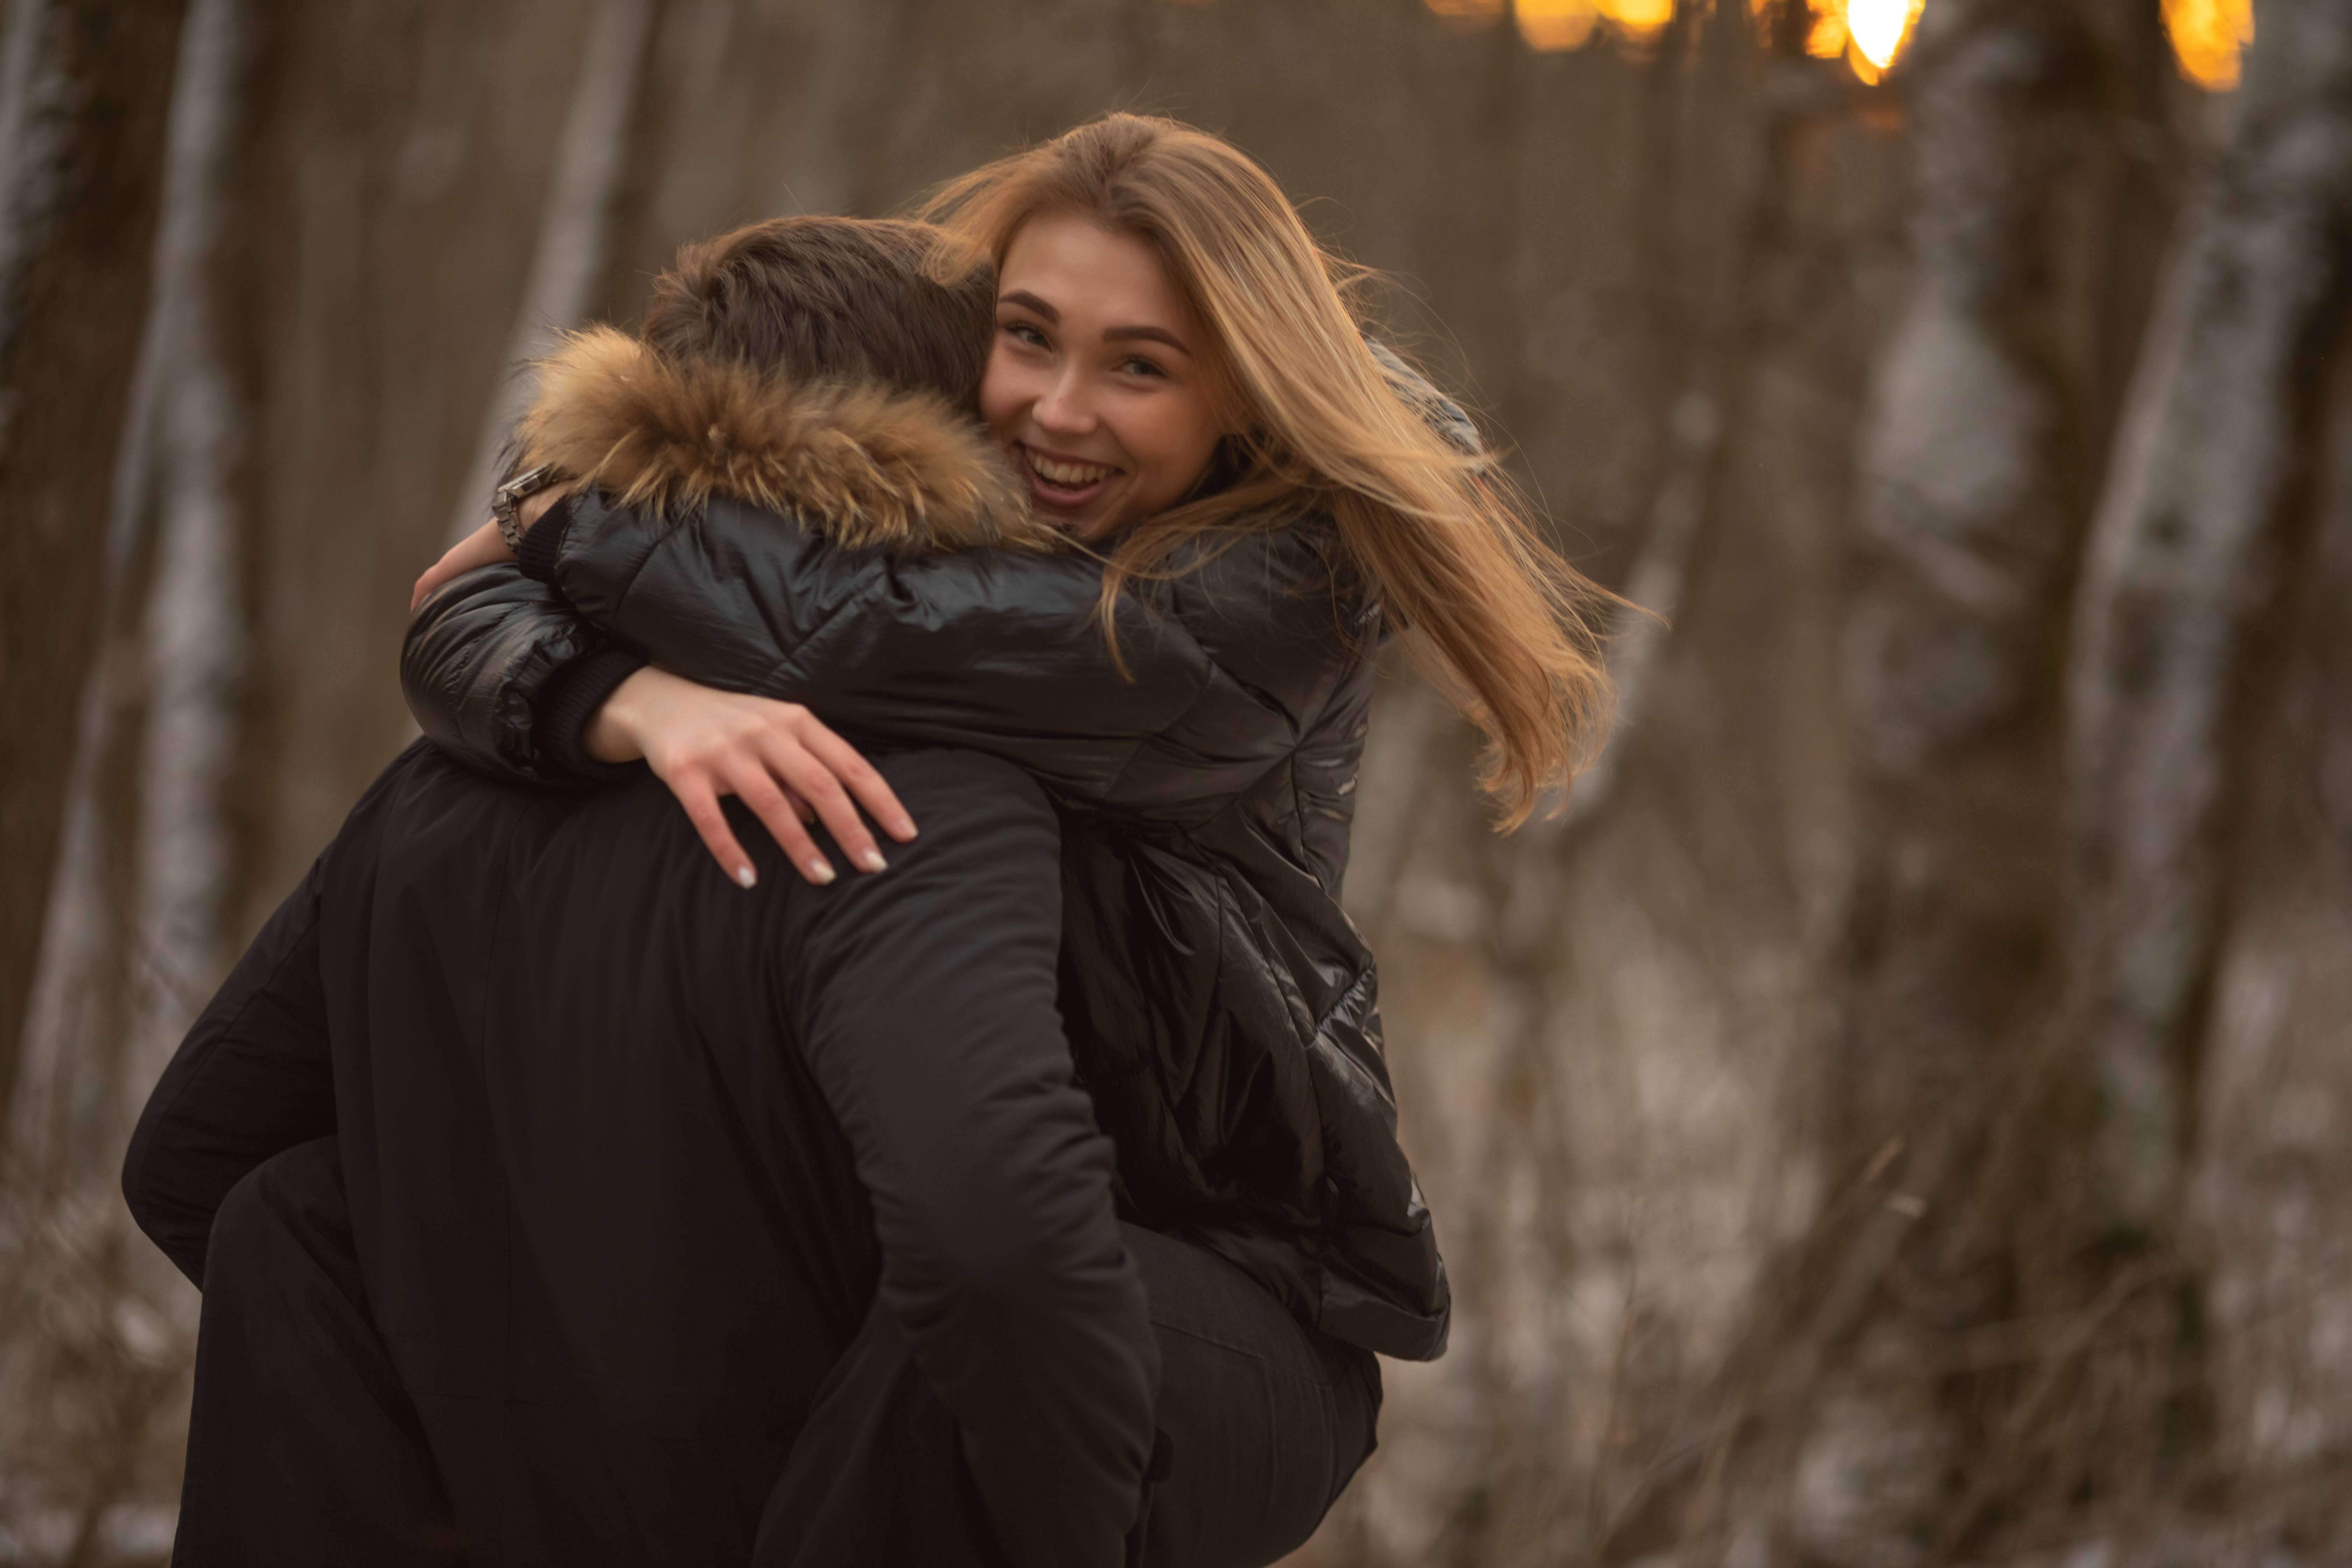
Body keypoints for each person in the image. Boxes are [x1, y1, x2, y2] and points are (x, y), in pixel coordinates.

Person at [128, 212, 1385, 1568]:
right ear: (941, 455)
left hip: (630, 1479)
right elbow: (996, 1256)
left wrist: (505, 1416)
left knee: (296, 1208)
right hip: (891, 1466)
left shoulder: (442, 789)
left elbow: (190, 1159)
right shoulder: (912, 798)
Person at [407, 113, 1615, 1367]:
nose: (1058, 410)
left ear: (1245, 388)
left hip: (1210, 1250)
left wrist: (582, 517)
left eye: (1140, 367)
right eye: (1028, 336)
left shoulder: (1269, 599)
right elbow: (456, 619)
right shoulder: (966, 472)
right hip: (960, 1190)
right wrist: (631, 699)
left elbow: (858, 637)